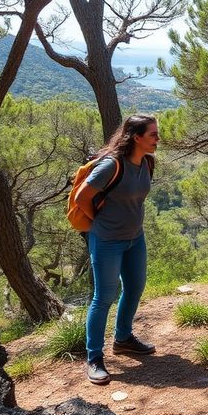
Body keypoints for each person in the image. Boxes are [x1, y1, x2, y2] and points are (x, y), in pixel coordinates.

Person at [76, 115, 160, 385]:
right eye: (153, 134)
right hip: (107, 240)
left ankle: (123, 339)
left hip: (135, 238)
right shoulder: (111, 165)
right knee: (104, 296)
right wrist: (96, 223)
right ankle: (94, 358)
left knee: (135, 288)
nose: (158, 139)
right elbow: (81, 198)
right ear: (136, 137)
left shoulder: (147, 162)